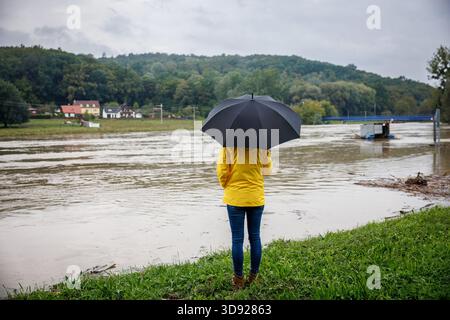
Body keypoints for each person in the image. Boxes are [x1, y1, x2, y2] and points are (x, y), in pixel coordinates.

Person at [216, 147, 272, 289]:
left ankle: (238, 278)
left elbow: (222, 171)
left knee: (237, 239)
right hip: (256, 198)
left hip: (235, 198)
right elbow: (267, 171)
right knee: (255, 237)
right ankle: (253, 276)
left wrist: (227, 186)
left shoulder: (228, 145)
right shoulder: (263, 145)